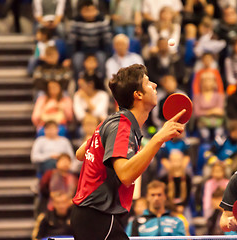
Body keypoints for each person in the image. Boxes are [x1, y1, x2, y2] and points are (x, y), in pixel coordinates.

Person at [70, 64, 186, 240]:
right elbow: (125, 175)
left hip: (91, 215)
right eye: (148, 83)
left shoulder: (112, 122)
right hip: (97, 215)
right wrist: (158, 138)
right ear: (138, 94)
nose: (155, 85)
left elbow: (80, 154)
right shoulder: (121, 127)